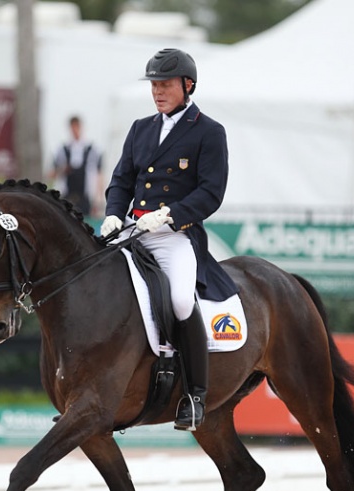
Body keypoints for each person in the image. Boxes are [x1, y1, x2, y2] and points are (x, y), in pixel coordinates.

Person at [101, 48, 238, 431]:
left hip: (174, 234)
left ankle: (194, 395)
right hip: (132, 229)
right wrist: (114, 213)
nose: (157, 91)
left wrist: (170, 215)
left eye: (164, 85)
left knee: (179, 299)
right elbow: (122, 179)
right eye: (154, 85)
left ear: (187, 85)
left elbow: (212, 192)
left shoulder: (208, 132)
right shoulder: (140, 128)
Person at [50, 115, 103, 215]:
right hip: (66, 196)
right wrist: (63, 170)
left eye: (77, 127)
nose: (75, 130)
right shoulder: (62, 150)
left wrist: (98, 200)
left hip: (86, 198)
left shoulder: (92, 150)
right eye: (73, 127)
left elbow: (99, 174)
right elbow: (52, 174)